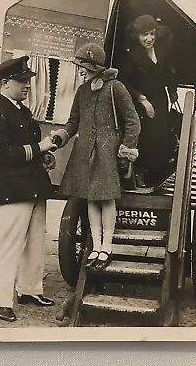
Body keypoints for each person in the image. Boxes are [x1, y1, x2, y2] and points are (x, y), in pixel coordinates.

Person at [51, 43, 141, 270]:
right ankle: (96, 246)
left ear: (93, 66)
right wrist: (61, 136)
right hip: (85, 152)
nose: (79, 70)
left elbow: (133, 121)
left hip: (108, 152)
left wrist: (126, 149)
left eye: (82, 66)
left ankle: (107, 247)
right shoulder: (82, 91)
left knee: (106, 199)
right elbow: (74, 121)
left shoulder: (115, 88)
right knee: (91, 198)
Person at [0, 56, 57, 322]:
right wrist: (41, 148)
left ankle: (29, 290)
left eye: (28, 80)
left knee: (36, 241)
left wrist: (43, 158)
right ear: (5, 83)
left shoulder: (21, 110)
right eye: (22, 81)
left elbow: (27, 149)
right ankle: (1, 301)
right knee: (9, 245)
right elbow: (6, 155)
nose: (27, 85)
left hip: (34, 185)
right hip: (13, 189)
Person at [119, 15, 178, 187]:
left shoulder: (161, 50)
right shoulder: (132, 56)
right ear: (137, 36)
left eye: (152, 34)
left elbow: (169, 71)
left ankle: (155, 174)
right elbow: (123, 81)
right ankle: (139, 173)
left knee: (161, 137)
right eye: (144, 35)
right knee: (145, 137)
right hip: (140, 102)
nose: (149, 38)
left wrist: (173, 90)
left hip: (160, 98)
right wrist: (142, 100)